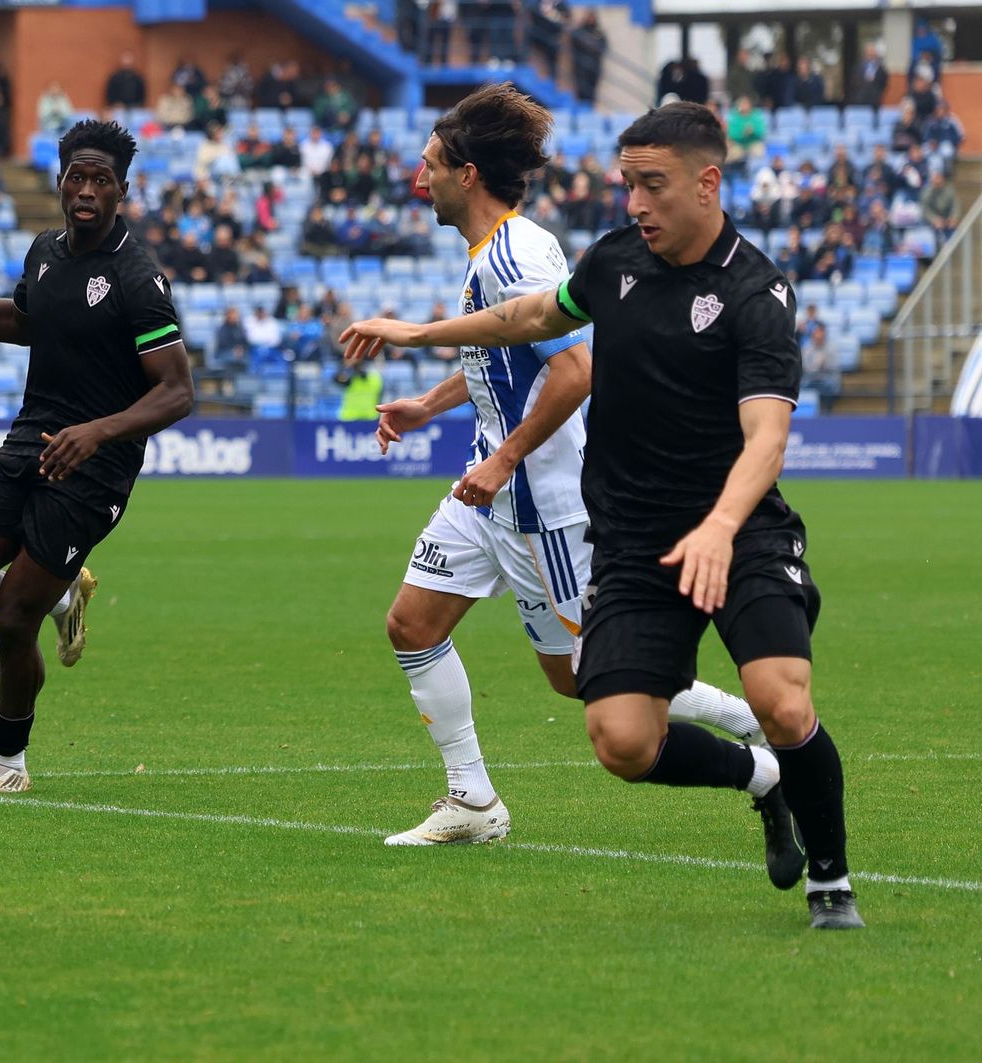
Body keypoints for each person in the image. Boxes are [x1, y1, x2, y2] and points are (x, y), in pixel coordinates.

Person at [344, 101, 861, 929]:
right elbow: (516, 337)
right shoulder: (581, 257)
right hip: (561, 510)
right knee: (457, 646)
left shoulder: (741, 288)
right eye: (627, 185)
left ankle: (799, 819)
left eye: (650, 186)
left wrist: (508, 454)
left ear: (705, 182)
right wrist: (423, 369)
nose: (634, 204)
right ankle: (482, 797)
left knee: (690, 693)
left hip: (626, 509)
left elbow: (588, 372)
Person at [0, 119, 194, 795]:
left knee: (14, 617)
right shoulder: (44, 250)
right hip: (30, 441)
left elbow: (177, 391)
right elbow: (22, 321)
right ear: (60, 181)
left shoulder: (136, 277)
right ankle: (63, 590)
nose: (87, 190)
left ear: (121, 192)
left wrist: (98, 432)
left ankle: (7, 761)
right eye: (77, 175)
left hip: (93, 467)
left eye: (101, 180)